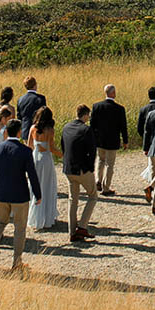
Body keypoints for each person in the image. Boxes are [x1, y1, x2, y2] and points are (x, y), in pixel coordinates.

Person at [0, 118, 42, 271]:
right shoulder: (25, 151)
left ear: (6, 132)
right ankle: (16, 261)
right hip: (20, 195)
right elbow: (32, 175)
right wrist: (37, 193)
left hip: (1, 194)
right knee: (19, 228)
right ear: (20, 131)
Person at [60, 104, 99, 242]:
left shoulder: (66, 127)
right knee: (93, 195)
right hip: (82, 169)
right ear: (85, 115)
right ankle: (82, 226)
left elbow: (63, 146)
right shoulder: (86, 129)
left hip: (69, 169)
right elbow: (92, 151)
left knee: (73, 199)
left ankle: (71, 231)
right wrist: (90, 168)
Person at [90, 84, 128, 195]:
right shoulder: (119, 109)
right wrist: (125, 140)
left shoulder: (96, 106)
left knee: (100, 160)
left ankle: (98, 180)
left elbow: (92, 124)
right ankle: (106, 187)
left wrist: (93, 138)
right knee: (110, 164)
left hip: (100, 140)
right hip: (113, 140)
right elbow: (123, 127)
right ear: (113, 93)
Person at [26, 106, 60, 230]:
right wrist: (63, 155)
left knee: (35, 185)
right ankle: (46, 217)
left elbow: (29, 145)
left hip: (35, 158)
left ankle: (35, 216)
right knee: (47, 185)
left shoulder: (32, 128)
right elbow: (52, 148)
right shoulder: (49, 130)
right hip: (46, 159)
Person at [16, 76, 46, 141]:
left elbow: (19, 117)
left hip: (25, 131)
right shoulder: (40, 99)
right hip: (38, 131)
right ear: (35, 85)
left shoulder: (20, 99)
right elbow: (44, 115)